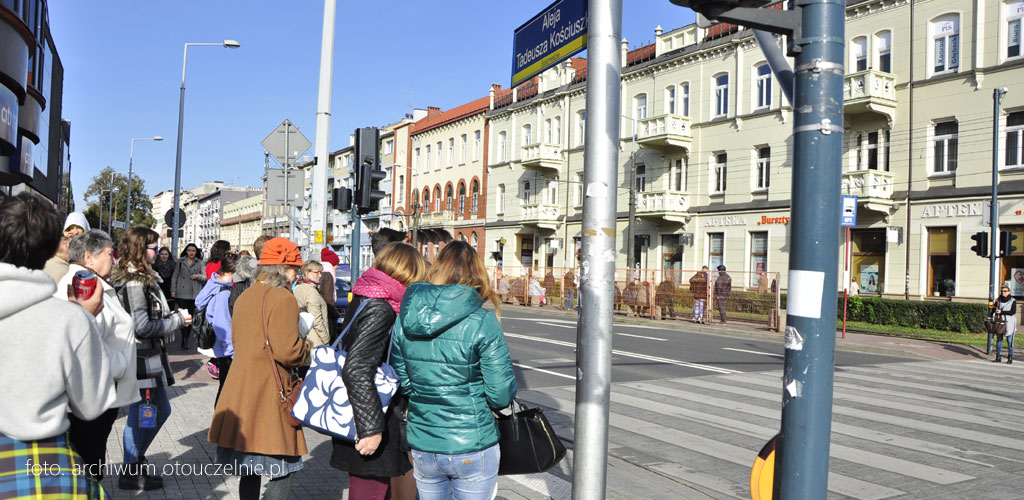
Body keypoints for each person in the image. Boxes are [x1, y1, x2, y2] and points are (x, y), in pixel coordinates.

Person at [0, 193, 115, 500]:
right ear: (53, 246)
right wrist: (85, 320)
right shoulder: (69, 319)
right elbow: (92, 406)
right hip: (47, 469)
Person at [391, 241, 517, 500]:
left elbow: (402, 382)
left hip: (424, 441)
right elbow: (500, 395)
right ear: (477, 274)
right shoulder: (482, 321)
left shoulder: (406, 317)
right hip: (472, 441)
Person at [208, 237, 310, 500]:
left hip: (242, 390)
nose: (297, 273)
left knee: (250, 469)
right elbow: (287, 351)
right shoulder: (282, 297)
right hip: (270, 392)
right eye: (295, 268)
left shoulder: (245, 295)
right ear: (284, 267)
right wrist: (307, 348)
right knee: (282, 467)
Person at [330, 243, 427, 500]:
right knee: (369, 492)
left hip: (361, 410)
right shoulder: (381, 307)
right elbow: (357, 368)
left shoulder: (366, 295)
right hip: (371, 416)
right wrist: (371, 429)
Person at [110, 226, 191, 491]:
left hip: (149, 354)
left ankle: (135, 461)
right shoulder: (135, 281)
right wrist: (177, 320)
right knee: (141, 413)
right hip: (141, 354)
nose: (157, 251)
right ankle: (130, 470)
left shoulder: (142, 276)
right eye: (153, 247)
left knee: (158, 410)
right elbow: (141, 326)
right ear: (140, 248)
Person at [55, 230, 139, 482]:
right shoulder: (86, 285)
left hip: (92, 394)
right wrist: (119, 365)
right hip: (91, 396)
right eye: (109, 254)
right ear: (89, 258)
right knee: (87, 468)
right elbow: (84, 340)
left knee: (86, 463)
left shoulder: (87, 281)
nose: (114, 260)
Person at [195, 252, 238, 404]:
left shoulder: (213, 283)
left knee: (223, 387)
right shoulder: (224, 293)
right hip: (226, 349)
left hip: (218, 345)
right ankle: (220, 425)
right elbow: (224, 326)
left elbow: (199, 302)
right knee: (226, 389)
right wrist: (233, 352)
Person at [171, 243, 205, 349]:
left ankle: (187, 338)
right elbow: (175, 276)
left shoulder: (200, 263)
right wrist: (173, 290)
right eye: (189, 250)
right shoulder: (180, 262)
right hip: (182, 294)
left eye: (193, 251)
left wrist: (197, 276)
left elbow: (206, 277)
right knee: (184, 317)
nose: (191, 252)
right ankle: (184, 339)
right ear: (186, 251)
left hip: (194, 294)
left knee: (191, 318)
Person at [43, 211, 89, 283]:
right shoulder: (56, 246)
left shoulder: (89, 251)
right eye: (70, 229)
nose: (75, 232)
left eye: (78, 228)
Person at [294, 261, 331, 348]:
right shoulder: (311, 291)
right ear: (307, 272)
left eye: (321, 272)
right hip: (315, 339)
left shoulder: (297, 287)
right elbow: (316, 319)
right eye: (316, 272)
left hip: (303, 335)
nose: (320, 275)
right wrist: (326, 339)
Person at [993, 286, 1017, 364]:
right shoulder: (998, 300)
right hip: (1000, 322)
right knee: (999, 340)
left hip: (1010, 323)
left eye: (1005, 291)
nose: (1003, 292)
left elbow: (1013, 312)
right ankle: (998, 357)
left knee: (1010, 340)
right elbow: (994, 309)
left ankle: (1010, 357)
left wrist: (1002, 312)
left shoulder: (1012, 300)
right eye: (1002, 291)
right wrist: (994, 309)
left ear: (1009, 292)